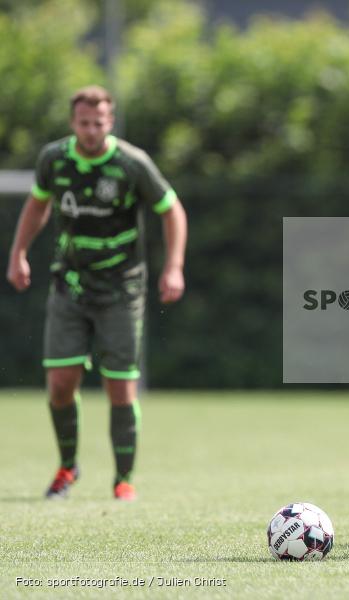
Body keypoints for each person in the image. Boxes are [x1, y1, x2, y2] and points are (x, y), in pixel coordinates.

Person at [6, 85, 187, 501]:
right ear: (73, 124)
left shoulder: (131, 164)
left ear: (110, 122)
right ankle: (67, 467)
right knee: (59, 384)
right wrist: (18, 253)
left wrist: (174, 266)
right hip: (69, 284)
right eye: (84, 123)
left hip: (121, 288)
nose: (91, 130)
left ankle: (123, 479)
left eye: (99, 123)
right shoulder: (54, 159)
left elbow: (172, 210)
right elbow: (37, 205)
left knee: (120, 387)